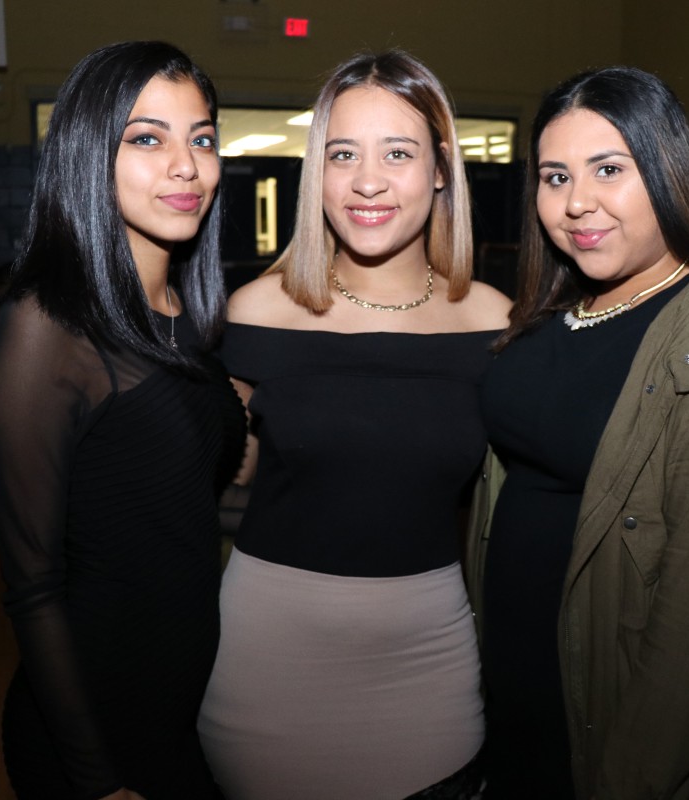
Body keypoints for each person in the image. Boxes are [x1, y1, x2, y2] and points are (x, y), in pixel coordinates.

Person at [467, 67, 689, 799]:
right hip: (518, 707)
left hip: (626, 732)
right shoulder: (557, 309)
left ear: (669, 171)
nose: (576, 203)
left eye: (609, 169)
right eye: (554, 175)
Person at [197, 50, 511, 800]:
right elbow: (208, 479)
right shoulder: (254, 313)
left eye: (397, 153)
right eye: (343, 154)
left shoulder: (498, 322)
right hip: (265, 662)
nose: (367, 181)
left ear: (441, 171)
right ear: (319, 173)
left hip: (429, 660)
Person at [0, 41, 246, 800]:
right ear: (89, 153)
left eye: (201, 137)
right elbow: (32, 585)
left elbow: (180, 498)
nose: (186, 165)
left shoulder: (183, 314)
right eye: (146, 139)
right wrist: (96, 783)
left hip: (186, 706)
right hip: (95, 732)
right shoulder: (45, 327)